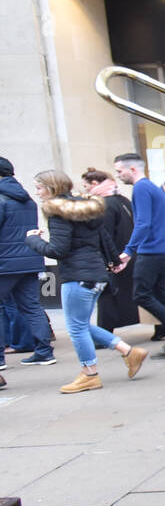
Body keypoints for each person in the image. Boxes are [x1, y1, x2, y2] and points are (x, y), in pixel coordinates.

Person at [23, 170, 147, 393]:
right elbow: (104, 237)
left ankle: (90, 374)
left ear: (52, 189)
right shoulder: (87, 207)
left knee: (76, 328)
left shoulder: (58, 212)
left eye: (39, 187)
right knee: (80, 324)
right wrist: (114, 261)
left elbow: (57, 250)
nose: (37, 192)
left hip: (78, 277)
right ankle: (129, 352)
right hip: (96, 274)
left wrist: (33, 240)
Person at [113, 152, 165, 362]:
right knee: (159, 294)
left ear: (133, 169)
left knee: (142, 294)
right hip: (159, 248)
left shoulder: (141, 188)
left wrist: (128, 251)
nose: (118, 175)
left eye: (119, 171)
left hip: (151, 250)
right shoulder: (149, 187)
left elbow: (143, 223)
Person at [0, 156, 56, 367]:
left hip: (4, 263)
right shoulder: (27, 199)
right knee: (32, 307)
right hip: (29, 259)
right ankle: (44, 352)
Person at [81, 169, 137, 336]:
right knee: (139, 294)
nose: (85, 189)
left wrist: (107, 259)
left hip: (115, 257)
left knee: (108, 296)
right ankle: (161, 326)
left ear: (95, 184)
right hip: (130, 254)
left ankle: (103, 334)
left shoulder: (103, 204)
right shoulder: (123, 200)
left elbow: (104, 235)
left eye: (85, 185)